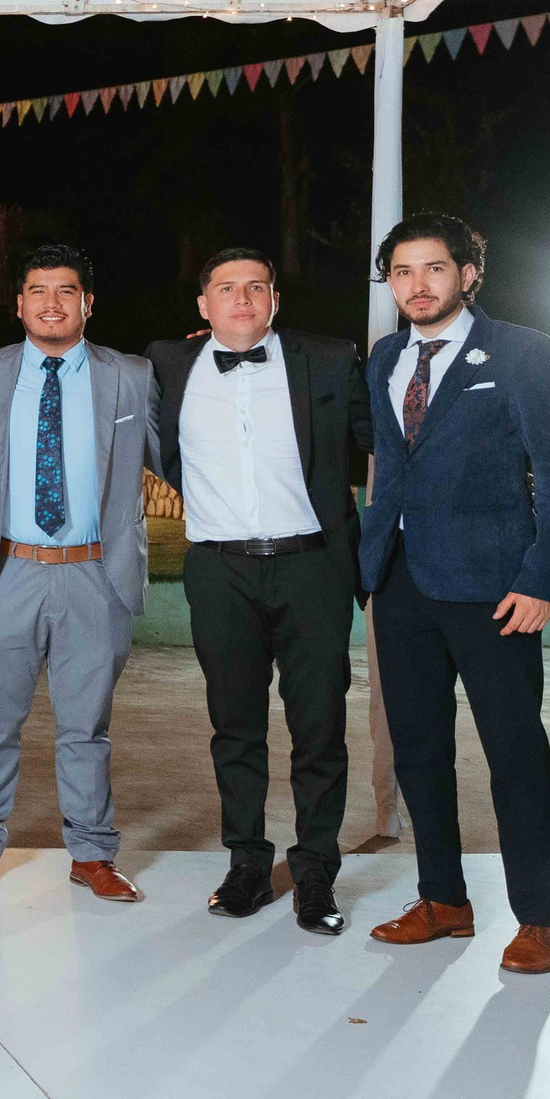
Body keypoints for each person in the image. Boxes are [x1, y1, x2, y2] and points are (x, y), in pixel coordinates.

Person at [361, 214, 550, 975]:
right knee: (419, 751)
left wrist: (542, 577)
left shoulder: (523, 352)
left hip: (496, 590)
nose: (417, 285)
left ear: (467, 273)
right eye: (401, 271)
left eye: (433, 269)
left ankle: (541, 919)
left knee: (515, 753)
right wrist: (368, 568)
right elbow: (393, 467)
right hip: (401, 583)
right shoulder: (386, 356)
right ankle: (444, 900)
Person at [145, 249, 370, 935]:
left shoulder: (330, 359)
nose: (241, 298)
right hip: (221, 570)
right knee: (234, 726)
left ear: (274, 299)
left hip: (312, 566)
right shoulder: (165, 363)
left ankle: (315, 874)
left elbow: (386, 434)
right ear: (202, 307)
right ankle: (247, 862)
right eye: (225, 288)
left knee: (319, 728)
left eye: (255, 287)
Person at [0, 245, 154, 902]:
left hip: (93, 574)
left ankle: (92, 853)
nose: (51, 303)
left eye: (66, 291)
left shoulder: (131, 375)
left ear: (87, 302)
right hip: (7, 567)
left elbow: (179, 450)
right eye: (37, 290)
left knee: (86, 727)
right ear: (19, 303)